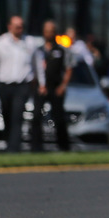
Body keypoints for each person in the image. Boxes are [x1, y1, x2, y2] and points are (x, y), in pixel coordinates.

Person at [0, 16, 44, 153]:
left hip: (23, 85)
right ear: (10, 27)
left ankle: (13, 149)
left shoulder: (30, 42)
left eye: (21, 26)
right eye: (16, 26)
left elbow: (38, 64)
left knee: (17, 115)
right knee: (7, 115)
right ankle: (9, 142)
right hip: (5, 85)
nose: (19, 29)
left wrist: (42, 83)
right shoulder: (1, 42)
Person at [35, 21, 75, 152]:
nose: (48, 34)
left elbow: (69, 69)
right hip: (41, 88)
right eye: (46, 31)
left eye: (51, 31)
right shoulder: (38, 50)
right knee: (36, 116)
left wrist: (63, 86)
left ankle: (64, 146)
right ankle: (37, 147)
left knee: (59, 117)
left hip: (56, 87)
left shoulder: (61, 50)